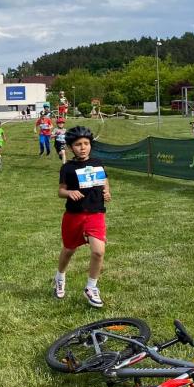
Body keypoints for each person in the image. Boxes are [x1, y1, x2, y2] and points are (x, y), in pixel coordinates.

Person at [54, 126, 111, 308]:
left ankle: (91, 287)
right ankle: (60, 277)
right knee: (69, 250)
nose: (83, 147)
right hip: (74, 215)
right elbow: (60, 191)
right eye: (78, 144)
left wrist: (107, 192)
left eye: (86, 144)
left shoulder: (97, 163)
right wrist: (69, 192)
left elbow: (104, 181)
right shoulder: (67, 168)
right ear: (71, 147)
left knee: (98, 251)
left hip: (96, 213)